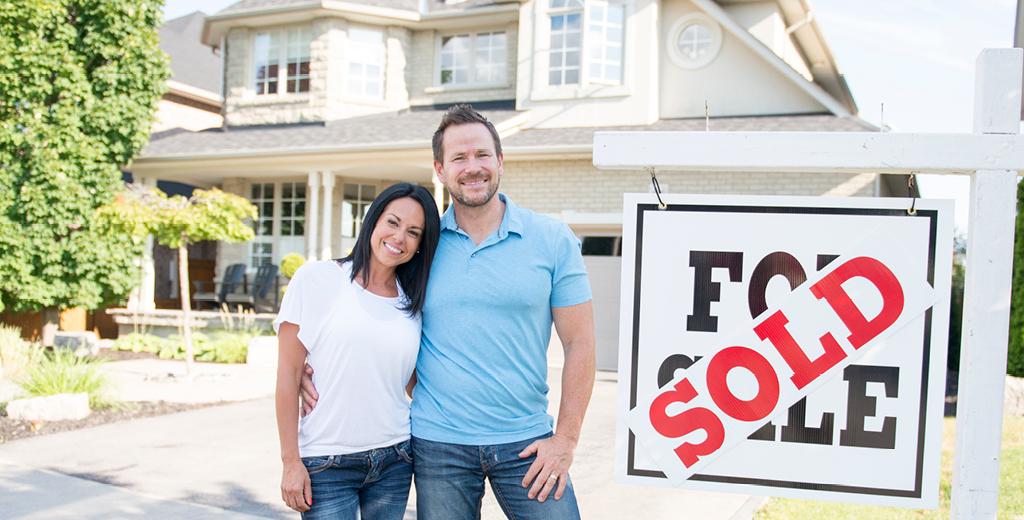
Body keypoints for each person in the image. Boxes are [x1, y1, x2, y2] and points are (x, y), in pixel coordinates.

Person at [302, 104, 597, 519]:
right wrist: (306, 363)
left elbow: (580, 343)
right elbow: (369, 311)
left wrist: (565, 440)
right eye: (458, 158)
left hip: (527, 440)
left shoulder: (551, 240)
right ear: (440, 169)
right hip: (438, 445)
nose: (471, 167)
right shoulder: (420, 247)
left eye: (481, 155)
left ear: (500, 161)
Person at [275, 182, 440, 519]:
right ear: (373, 221)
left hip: (395, 458)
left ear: (421, 245)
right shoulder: (317, 279)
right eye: (392, 222)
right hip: (327, 462)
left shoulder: (412, 303)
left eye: (413, 232)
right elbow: (288, 377)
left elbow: (407, 380)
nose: (399, 238)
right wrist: (291, 462)